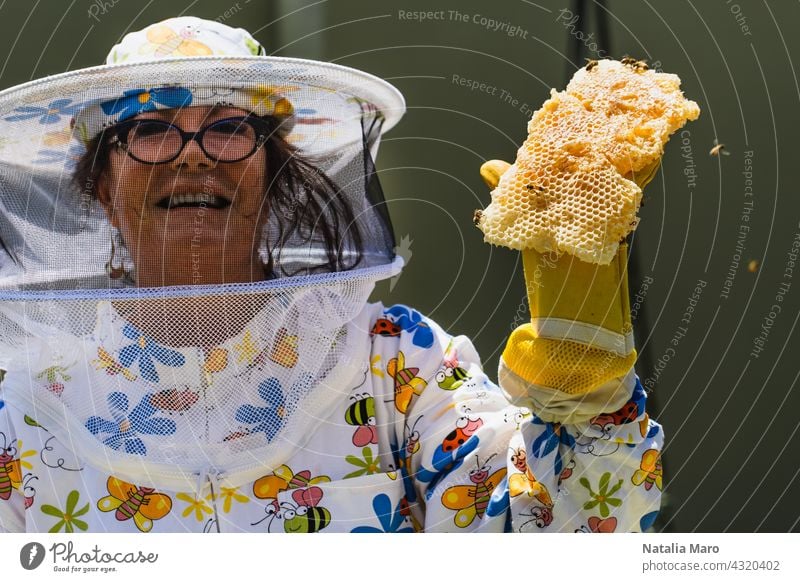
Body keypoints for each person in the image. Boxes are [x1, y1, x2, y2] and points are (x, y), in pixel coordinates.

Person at [0, 17, 662, 533]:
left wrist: (585, 385)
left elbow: (557, 535)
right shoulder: (27, 410)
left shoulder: (397, 361)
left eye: (230, 127)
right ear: (101, 188)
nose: (195, 159)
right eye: (149, 128)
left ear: (274, 173)